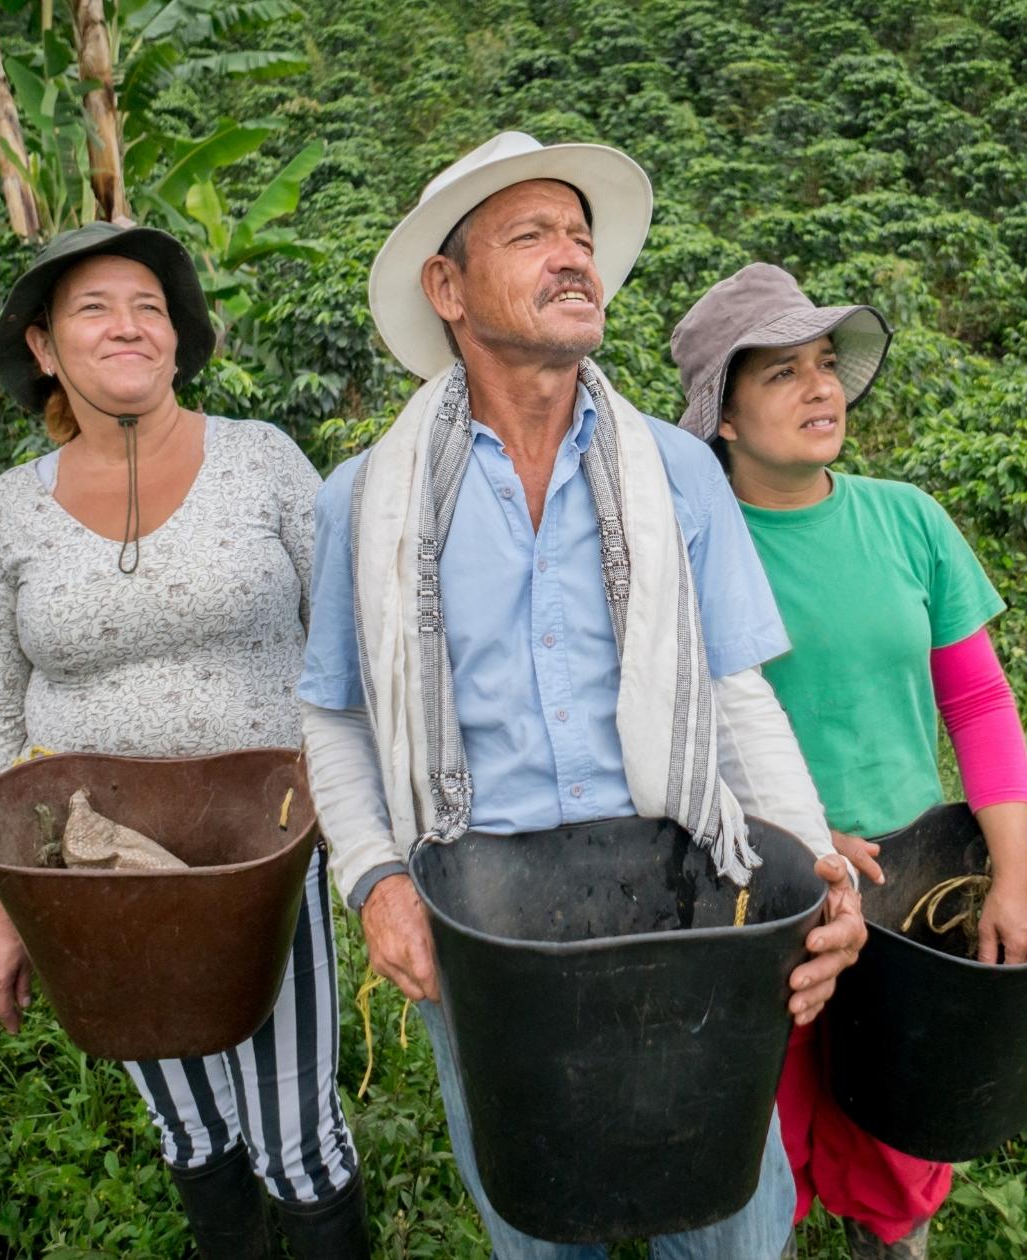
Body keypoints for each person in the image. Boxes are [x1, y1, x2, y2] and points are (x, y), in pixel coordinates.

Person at [296, 132, 869, 1259]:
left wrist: (816, 866)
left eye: (581, 236)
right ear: (447, 287)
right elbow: (335, 715)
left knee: (730, 1227)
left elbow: (733, 693)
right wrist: (375, 884)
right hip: (485, 940)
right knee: (537, 1223)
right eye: (531, 235)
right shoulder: (364, 503)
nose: (572, 258)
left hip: (685, 917)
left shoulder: (675, 473)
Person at [0, 222, 370, 1258]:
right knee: (187, 1125)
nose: (127, 326)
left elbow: (350, 656)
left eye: (150, 307)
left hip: (259, 857)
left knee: (295, 1135)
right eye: (92, 308)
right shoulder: (8, 516)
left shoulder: (263, 462)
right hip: (90, 870)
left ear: (179, 341)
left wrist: (374, 843)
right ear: (43, 348)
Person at [669, 263, 1027, 1260]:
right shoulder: (686, 549)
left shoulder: (906, 520)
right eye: (781, 375)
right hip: (760, 894)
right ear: (723, 418)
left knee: (897, 1151)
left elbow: (976, 701)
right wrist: (795, 833)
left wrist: (1013, 875)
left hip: (910, 887)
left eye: (825, 365)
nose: (820, 389)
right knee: (760, 1151)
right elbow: (669, 731)